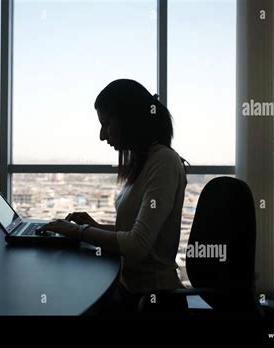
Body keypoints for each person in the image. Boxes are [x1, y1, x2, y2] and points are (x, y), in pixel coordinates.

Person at [36, 79, 188, 313]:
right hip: (132, 292)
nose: (102, 135)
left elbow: (138, 245)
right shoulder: (146, 161)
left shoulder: (163, 162)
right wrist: (95, 226)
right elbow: (133, 230)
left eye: (106, 124)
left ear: (129, 120)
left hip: (152, 302)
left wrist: (79, 231)